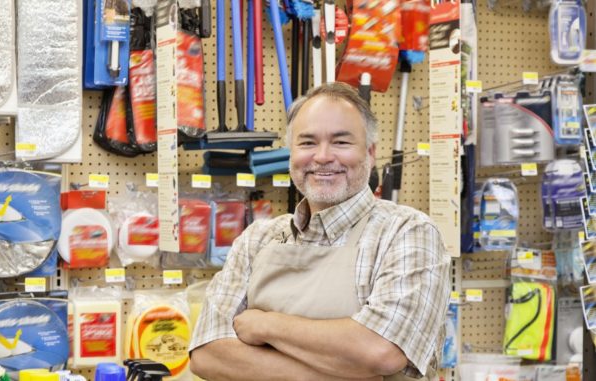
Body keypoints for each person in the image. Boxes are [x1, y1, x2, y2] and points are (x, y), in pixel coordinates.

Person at [189, 82, 451, 381]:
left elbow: (381, 350)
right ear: (292, 152)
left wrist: (266, 326)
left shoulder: (407, 232)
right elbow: (207, 353)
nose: (323, 156)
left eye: (341, 142)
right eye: (308, 142)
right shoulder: (256, 239)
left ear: (371, 152)